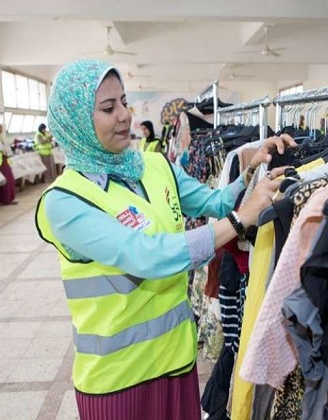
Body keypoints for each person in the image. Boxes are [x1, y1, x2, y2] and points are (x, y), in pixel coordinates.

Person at [35, 59, 293, 420]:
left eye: (124, 102)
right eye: (109, 108)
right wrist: (237, 221)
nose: (124, 115)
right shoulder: (64, 201)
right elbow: (144, 255)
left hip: (177, 360)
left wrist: (250, 169)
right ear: (76, 121)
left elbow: (214, 201)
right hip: (118, 378)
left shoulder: (154, 166)